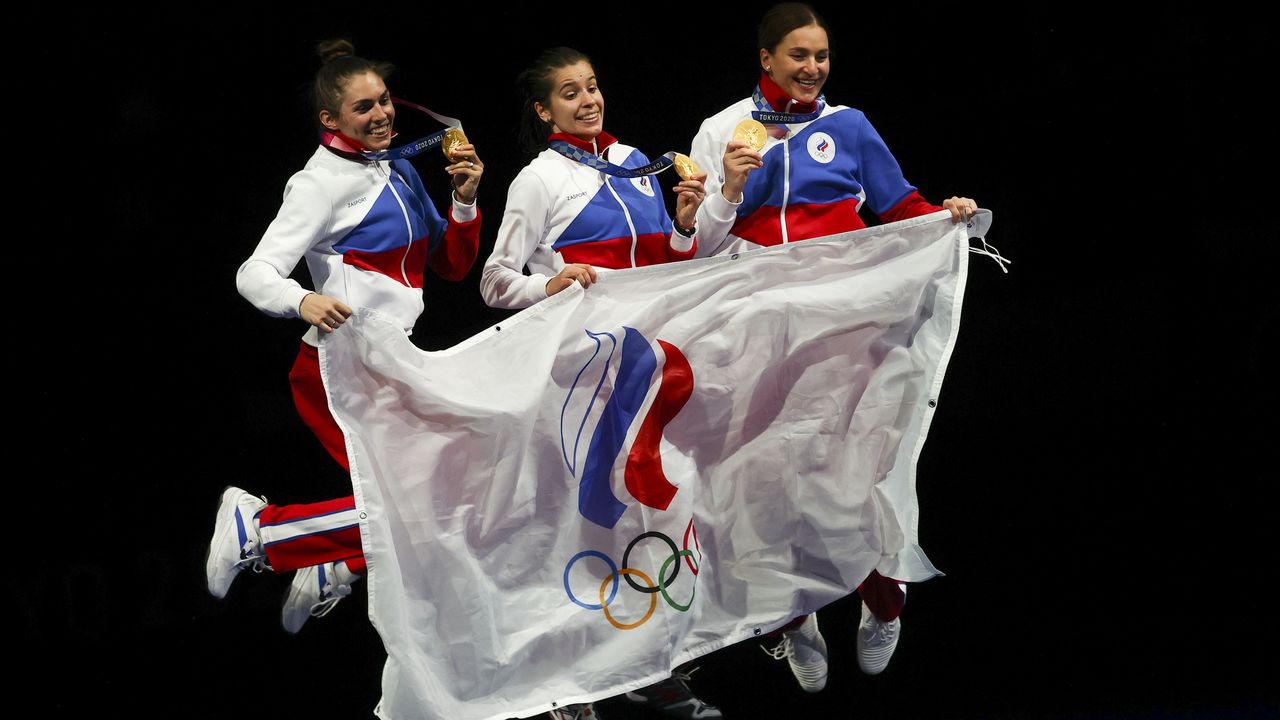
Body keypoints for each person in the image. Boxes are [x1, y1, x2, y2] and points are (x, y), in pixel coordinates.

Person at [688, 2, 979, 691]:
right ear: (766, 60)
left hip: (848, 317)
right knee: (764, 482)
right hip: (759, 320)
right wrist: (728, 185)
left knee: (857, 472)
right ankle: (793, 619)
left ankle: (884, 600)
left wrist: (948, 214)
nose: (812, 68)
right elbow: (697, 243)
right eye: (798, 56)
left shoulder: (847, 125)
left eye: (821, 57)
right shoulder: (719, 129)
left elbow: (900, 204)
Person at [206, 39, 483, 634]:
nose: (382, 115)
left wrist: (464, 201)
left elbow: (452, 267)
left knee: (446, 497)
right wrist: (302, 299)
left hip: (397, 364)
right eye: (364, 108)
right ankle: (260, 530)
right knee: (415, 509)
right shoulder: (316, 184)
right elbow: (253, 274)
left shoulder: (399, 166)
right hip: (337, 370)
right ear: (330, 119)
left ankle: (336, 561)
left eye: (384, 102)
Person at [481, 47, 717, 720]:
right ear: (543, 109)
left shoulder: (636, 162)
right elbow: (495, 282)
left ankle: (646, 666)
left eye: (591, 87)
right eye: (568, 93)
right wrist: (549, 281)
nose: (587, 100)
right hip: (585, 373)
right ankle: (565, 681)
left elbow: (669, 265)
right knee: (588, 523)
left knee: (661, 513)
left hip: (655, 366)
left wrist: (683, 222)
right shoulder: (538, 179)